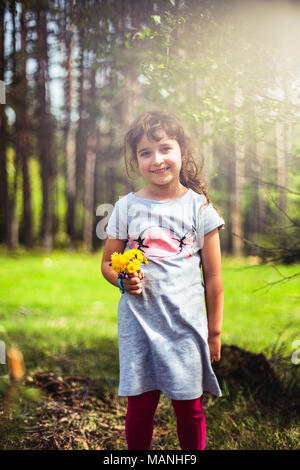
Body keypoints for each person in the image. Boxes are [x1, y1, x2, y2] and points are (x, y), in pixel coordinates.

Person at [101, 110, 225, 450]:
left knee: (190, 406)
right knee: (140, 406)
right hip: (139, 326)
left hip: (186, 326)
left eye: (165, 148)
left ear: (182, 152)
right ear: (136, 159)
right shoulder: (126, 207)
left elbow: (213, 278)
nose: (157, 160)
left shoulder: (200, 209)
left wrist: (214, 332)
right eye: (145, 152)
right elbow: (107, 264)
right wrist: (122, 280)